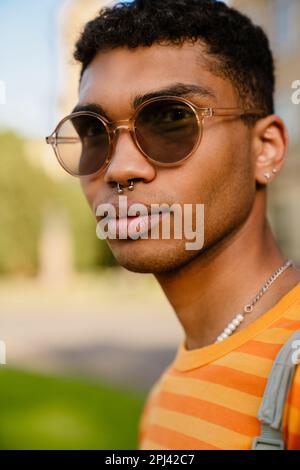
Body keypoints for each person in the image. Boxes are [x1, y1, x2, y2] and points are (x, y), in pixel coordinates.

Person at [46, 0, 300, 450]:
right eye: (93, 132)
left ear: (265, 149)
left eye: (172, 118)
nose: (119, 168)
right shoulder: (163, 399)